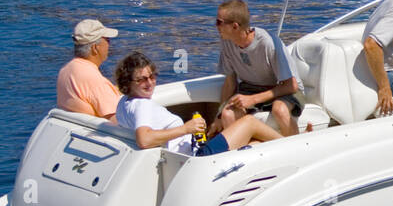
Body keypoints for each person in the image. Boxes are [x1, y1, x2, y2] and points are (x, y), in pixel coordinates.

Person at [115, 51, 280, 155]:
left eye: (152, 76)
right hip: (199, 157)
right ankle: (297, 145)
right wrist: (187, 128)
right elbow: (144, 140)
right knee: (250, 122)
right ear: (127, 82)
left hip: (187, 155)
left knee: (256, 143)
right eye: (142, 79)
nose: (150, 83)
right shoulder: (142, 105)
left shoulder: (124, 103)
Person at [216, 0, 302, 137]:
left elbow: (291, 86)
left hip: (283, 90)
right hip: (251, 88)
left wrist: (253, 99)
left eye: (219, 22)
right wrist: (218, 116)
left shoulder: (268, 44)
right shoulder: (227, 42)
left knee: (279, 110)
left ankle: (295, 147)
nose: (216, 26)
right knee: (227, 114)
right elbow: (229, 83)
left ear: (235, 26)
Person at [56, 18, 121, 119]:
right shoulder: (94, 80)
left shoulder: (65, 70)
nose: (110, 45)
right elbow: (117, 119)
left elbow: (88, 94)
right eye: (107, 40)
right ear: (95, 48)